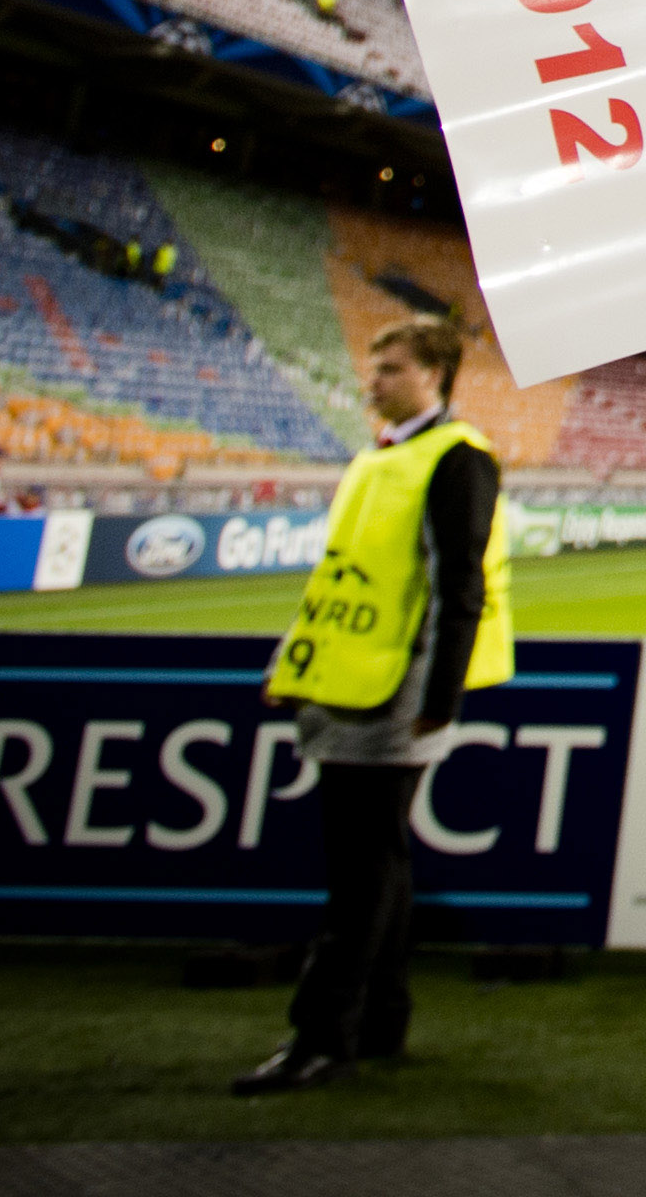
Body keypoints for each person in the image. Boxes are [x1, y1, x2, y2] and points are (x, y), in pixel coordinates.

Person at [233, 315, 508, 1098]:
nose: (372, 380)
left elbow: (461, 586)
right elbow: (342, 577)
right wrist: (294, 660)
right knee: (376, 862)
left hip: (395, 696)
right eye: (374, 365)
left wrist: (438, 697)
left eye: (389, 367)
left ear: (435, 375)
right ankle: (381, 1020)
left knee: (361, 874)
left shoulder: (456, 459)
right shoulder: (382, 458)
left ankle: (322, 1038)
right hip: (344, 686)